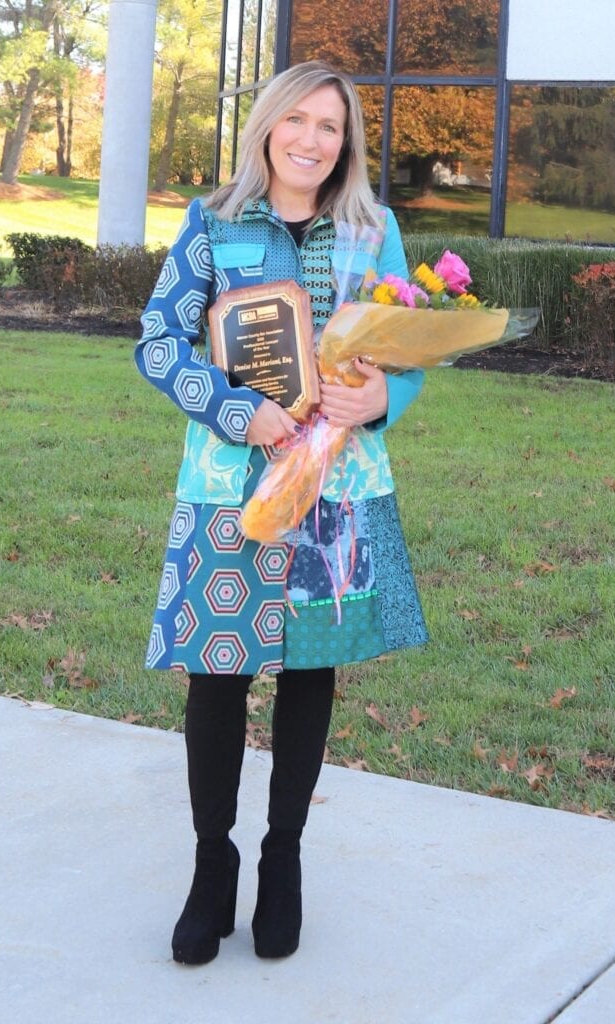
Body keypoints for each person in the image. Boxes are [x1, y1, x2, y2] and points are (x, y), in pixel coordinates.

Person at [134, 60, 428, 965]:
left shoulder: (373, 233)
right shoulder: (212, 223)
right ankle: (211, 865)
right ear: (267, 127)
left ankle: (284, 858)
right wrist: (235, 407)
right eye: (295, 120)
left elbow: (410, 354)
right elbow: (158, 339)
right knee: (218, 673)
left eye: (329, 127)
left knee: (309, 674)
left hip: (338, 488)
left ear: (347, 144)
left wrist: (378, 398)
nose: (310, 140)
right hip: (231, 487)